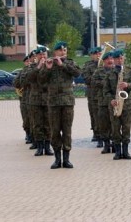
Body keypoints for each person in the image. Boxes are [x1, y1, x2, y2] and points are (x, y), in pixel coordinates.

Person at [39, 41, 81, 169]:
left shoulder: (69, 63)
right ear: (55, 52)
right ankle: (57, 159)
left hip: (67, 102)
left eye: (65, 50)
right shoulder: (49, 64)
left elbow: (77, 73)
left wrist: (62, 65)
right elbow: (40, 80)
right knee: (55, 131)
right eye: (60, 51)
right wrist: (48, 68)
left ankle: (66, 159)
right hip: (53, 103)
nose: (63, 52)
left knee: (67, 131)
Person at [104, 49, 131, 160]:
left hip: (127, 104)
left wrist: (127, 84)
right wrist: (111, 100)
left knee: (127, 128)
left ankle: (126, 151)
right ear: (114, 59)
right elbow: (106, 91)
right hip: (115, 104)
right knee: (115, 129)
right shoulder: (109, 72)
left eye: (121, 57)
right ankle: (118, 152)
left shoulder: (128, 70)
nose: (120, 60)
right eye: (118, 58)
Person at [26, 46, 54, 157]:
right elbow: (28, 79)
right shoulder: (31, 67)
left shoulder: (51, 65)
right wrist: (38, 67)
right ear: (36, 56)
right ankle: (39, 147)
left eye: (44, 54)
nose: (42, 56)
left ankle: (47, 146)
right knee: (37, 124)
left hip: (48, 99)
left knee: (48, 123)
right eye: (40, 55)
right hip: (35, 100)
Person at [92, 51, 115, 154]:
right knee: (104, 123)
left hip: (113, 101)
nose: (110, 61)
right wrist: (107, 83)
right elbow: (94, 83)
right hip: (102, 101)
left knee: (114, 123)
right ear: (104, 61)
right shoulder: (98, 71)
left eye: (111, 59)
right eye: (108, 59)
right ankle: (106, 144)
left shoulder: (116, 71)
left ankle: (115, 144)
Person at [82, 47, 102, 147]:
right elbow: (87, 79)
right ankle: (96, 133)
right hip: (92, 94)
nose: (98, 55)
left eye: (99, 53)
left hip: (103, 94)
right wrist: (98, 70)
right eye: (96, 54)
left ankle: (104, 135)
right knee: (94, 114)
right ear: (91, 55)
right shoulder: (87, 66)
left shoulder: (105, 64)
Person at [13, 52, 34, 144]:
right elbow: (16, 84)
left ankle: (36, 138)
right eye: (27, 61)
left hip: (35, 98)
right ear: (24, 63)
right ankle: (28, 134)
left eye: (31, 60)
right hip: (25, 99)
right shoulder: (21, 72)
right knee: (26, 119)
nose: (29, 62)